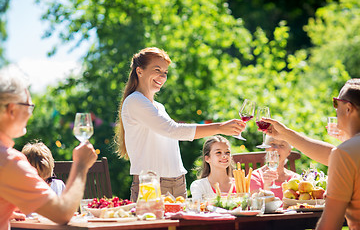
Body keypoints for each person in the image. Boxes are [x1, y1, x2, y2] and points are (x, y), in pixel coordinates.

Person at [115, 47, 245, 202]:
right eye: (157, 70)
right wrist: (219, 127)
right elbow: (173, 130)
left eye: (165, 72)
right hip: (152, 185)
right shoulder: (135, 101)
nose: (162, 77)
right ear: (139, 71)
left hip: (177, 183)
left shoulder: (159, 107)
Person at [0, 67, 98, 229]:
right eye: (29, 106)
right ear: (12, 109)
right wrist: (81, 165)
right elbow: (62, 213)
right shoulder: (9, 161)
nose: (31, 113)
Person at [261, 79, 360, 230]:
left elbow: (330, 224)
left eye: (335, 103)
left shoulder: (345, 154)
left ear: (348, 108)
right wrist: (286, 134)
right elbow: (330, 155)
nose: (334, 110)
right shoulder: (347, 152)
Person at [190, 135, 236, 200]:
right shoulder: (199, 186)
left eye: (227, 152)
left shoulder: (240, 184)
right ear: (207, 158)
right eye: (218, 152)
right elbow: (197, 207)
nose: (224, 156)